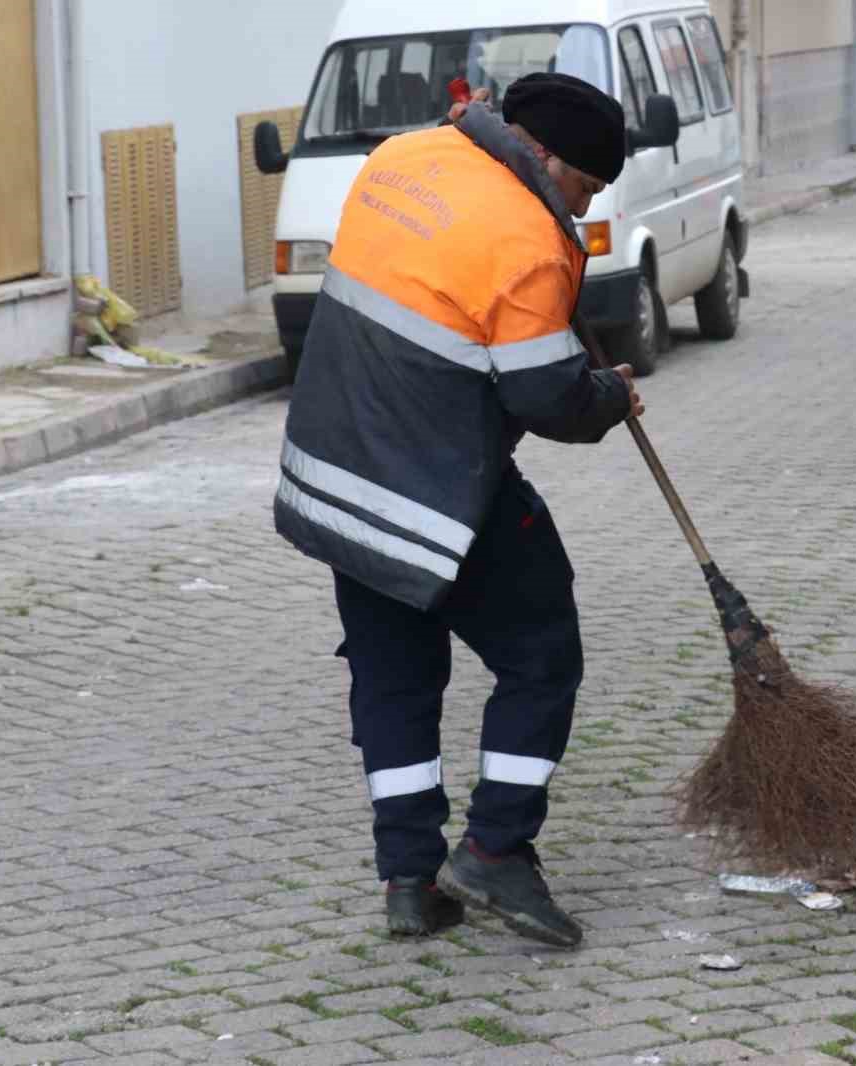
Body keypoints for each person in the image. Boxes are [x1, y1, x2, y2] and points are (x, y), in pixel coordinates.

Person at [274, 73, 642, 948]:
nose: (583, 206)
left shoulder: (401, 159)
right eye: (585, 188)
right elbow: (546, 398)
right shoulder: (526, 238)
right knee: (542, 649)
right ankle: (494, 850)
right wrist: (609, 396)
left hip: (334, 478)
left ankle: (409, 879)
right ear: (544, 157)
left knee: (395, 676)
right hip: (435, 495)